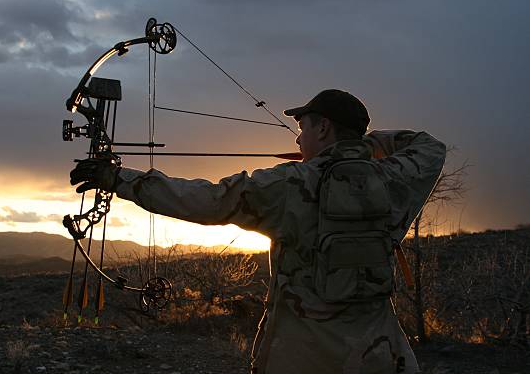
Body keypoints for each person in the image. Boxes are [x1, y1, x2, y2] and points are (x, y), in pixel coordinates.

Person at [70, 89, 446, 374]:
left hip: (304, 358)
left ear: (324, 127)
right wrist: (357, 149)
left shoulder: (290, 184)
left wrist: (118, 179)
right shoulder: (396, 179)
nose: (298, 140)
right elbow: (429, 146)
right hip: (381, 357)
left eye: (304, 128)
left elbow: (208, 200)